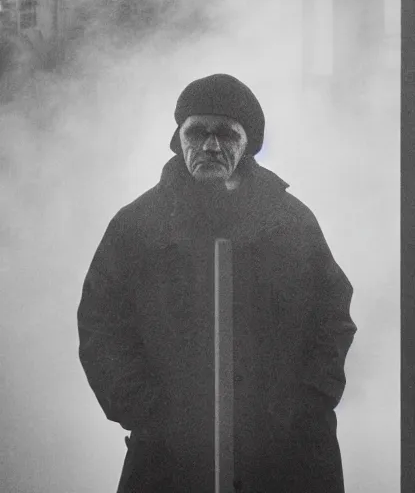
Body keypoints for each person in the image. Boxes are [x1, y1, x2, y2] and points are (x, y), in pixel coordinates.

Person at [77, 73, 357, 493]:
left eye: (226, 133)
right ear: (179, 139)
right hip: (170, 458)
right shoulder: (138, 225)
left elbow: (332, 318)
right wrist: (148, 412)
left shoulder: (290, 222)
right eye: (197, 132)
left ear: (249, 144)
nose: (209, 145)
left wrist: (305, 406)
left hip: (286, 457)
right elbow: (101, 326)